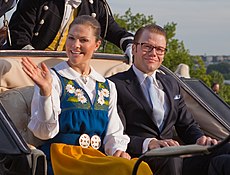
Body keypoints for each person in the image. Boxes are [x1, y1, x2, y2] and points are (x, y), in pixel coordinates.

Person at [21, 15, 151, 175]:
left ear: (97, 45)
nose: (75, 45)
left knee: (140, 167)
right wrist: (45, 92)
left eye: (83, 40)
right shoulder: (53, 78)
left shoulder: (107, 86)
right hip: (63, 158)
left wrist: (118, 150)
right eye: (71, 38)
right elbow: (44, 132)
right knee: (126, 169)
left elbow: (113, 132)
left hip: (95, 157)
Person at [109, 24, 230, 175]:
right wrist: (150, 144)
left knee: (225, 152)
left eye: (159, 49)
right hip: (141, 158)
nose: (153, 53)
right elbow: (114, 135)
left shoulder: (171, 83)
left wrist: (200, 139)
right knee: (170, 158)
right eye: (147, 47)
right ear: (134, 48)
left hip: (175, 158)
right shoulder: (114, 85)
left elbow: (187, 125)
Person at [4, 0, 133, 63]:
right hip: (28, 64)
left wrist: (131, 45)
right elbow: (19, 36)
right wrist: (40, 64)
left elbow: (115, 31)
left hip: (67, 69)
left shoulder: (95, 5)